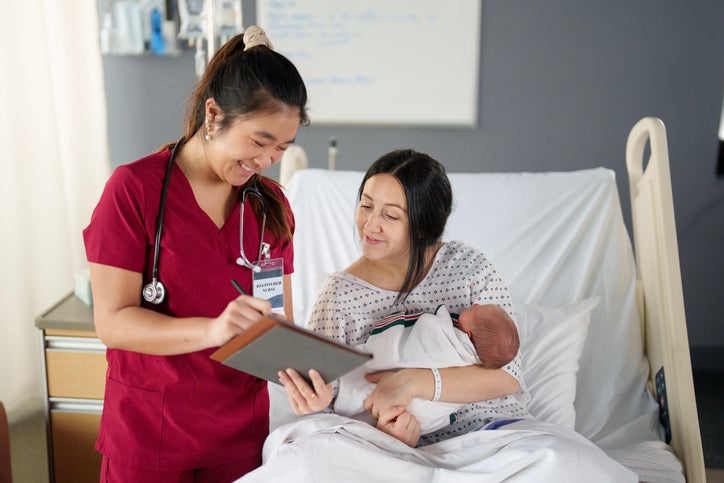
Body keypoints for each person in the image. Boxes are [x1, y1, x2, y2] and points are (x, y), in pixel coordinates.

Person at [83, 26, 308, 481]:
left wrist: (304, 376)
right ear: (213, 114)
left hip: (239, 437)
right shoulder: (134, 191)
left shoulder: (271, 207)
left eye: (281, 148)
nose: (267, 161)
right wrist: (213, 329)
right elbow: (112, 322)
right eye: (259, 142)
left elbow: (272, 322)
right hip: (151, 431)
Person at [277, 149, 530, 448]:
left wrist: (413, 381)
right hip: (391, 442)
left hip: (495, 433)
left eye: (390, 215)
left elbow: (506, 378)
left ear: (423, 225)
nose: (370, 225)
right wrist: (384, 436)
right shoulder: (338, 296)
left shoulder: (468, 268)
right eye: (366, 206)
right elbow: (328, 404)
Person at [333, 303, 520, 434]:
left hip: (482, 426)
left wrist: (413, 382)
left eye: (474, 310)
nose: (475, 305)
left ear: (468, 335)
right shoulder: (481, 362)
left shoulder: (447, 336)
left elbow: (509, 381)